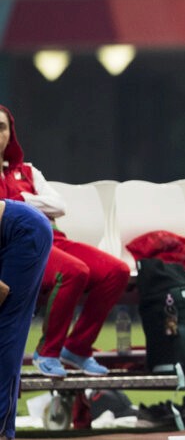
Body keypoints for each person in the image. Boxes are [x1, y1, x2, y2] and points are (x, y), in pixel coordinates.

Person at [0, 105, 130, 378]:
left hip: (54, 239)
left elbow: (59, 206)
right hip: (21, 248)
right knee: (74, 271)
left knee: (117, 271)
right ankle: (47, 352)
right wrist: (34, 207)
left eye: (2, 128)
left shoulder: (28, 171)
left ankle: (77, 348)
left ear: (11, 134)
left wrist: (20, 201)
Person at [0, 199, 54, 438]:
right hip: (12, 228)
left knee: (6, 327)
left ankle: (2, 429)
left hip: (27, 231)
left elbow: (2, 291)